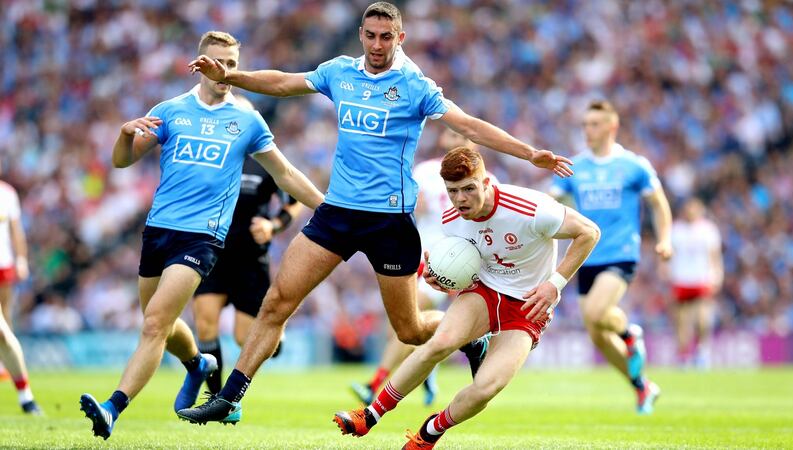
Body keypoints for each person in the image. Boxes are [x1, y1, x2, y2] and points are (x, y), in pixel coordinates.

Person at [178, 1, 572, 426]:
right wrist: (230, 76)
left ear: (400, 38)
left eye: (386, 37)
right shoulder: (339, 72)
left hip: (389, 222)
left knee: (410, 331)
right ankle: (229, 398)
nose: (377, 44)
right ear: (361, 35)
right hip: (337, 213)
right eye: (370, 35)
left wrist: (529, 153)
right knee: (277, 303)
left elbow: (469, 125)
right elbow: (283, 83)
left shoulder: (415, 85)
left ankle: (469, 339)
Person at [78, 31, 324, 440]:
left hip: (202, 238)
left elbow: (286, 174)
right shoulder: (171, 111)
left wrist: (330, 208)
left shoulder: (246, 120)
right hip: (158, 231)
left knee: (154, 325)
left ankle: (112, 407)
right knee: (158, 320)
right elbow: (122, 161)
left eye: (231, 63)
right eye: (217, 62)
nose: (224, 70)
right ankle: (197, 365)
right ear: (198, 64)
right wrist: (124, 134)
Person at [332, 146, 600, 448]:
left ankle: (430, 432)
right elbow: (467, 262)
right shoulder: (451, 218)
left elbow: (589, 232)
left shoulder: (530, 209)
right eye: (453, 191)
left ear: (486, 183)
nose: (460, 199)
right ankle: (370, 415)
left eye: (469, 189)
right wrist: (441, 277)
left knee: (487, 387)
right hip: (484, 292)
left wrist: (555, 284)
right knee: (439, 344)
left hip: (527, 306)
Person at [349, 129, 496, 407]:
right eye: (451, 135)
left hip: (451, 264)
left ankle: (374, 385)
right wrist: (412, 204)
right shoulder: (426, 172)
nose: (457, 141)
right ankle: (428, 373)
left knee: (411, 318)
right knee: (401, 327)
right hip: (418, 255)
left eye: (462, 137)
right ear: (443, 140)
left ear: (473, 143)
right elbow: (403, 206)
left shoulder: (487, 181)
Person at [550, 100, 673, 414]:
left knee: (596, 311)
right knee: (597, 334)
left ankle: (630, 333)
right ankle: (642, 386)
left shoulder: (634, 166)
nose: (587, 130)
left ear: (611, 126)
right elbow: (550, 202)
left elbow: (658, 203)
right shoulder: (575, 166)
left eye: (594, 124)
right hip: (585, 256)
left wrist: (665, 239)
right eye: (585, 124)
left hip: (621, 253)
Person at [192, 95, 303, 394]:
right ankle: (215, 397)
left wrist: (272, 225)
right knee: (205, 324)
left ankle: (275, 337)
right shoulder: (209, 156)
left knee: (246, 338)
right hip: (212, 252)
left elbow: (294, 202)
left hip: (250, 258)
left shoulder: (265, 159)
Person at [0, 161, 42, 416]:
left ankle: (26, 397)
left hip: (3, 264)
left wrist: (21, 259)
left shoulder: (7, 193)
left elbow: (16, 231)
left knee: (4, 326)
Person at [668, 197, 722, 369]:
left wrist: (718, 275)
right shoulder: (676, 230)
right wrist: (666, 270)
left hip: (702, 279)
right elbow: (668, 254)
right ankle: (683, 354)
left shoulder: (708, 230)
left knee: (702, 319)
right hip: (681, 279)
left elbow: (715, 255)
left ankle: (702, 352)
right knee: (682, 321)